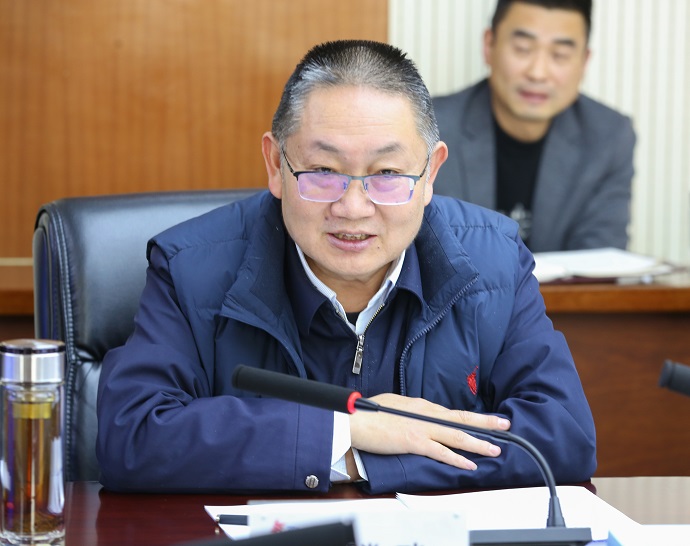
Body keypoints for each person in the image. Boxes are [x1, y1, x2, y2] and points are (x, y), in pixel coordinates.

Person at [96, 39, 596, 494]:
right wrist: (346, 433)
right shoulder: (190, 267)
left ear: (430, 174)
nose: (353, 208)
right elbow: (132, 436)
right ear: (275, 165)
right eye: (323, 171)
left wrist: (367, 462)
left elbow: (562, 435)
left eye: (387, 173)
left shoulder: (494, 260)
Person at [433, 0, 636, 252]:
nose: (538, 73)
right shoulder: (431, 128)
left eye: (560, 55)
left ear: (584, 62)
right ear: (489, 45)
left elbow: (599, 258)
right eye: (523, 49)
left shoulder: (608, 137)